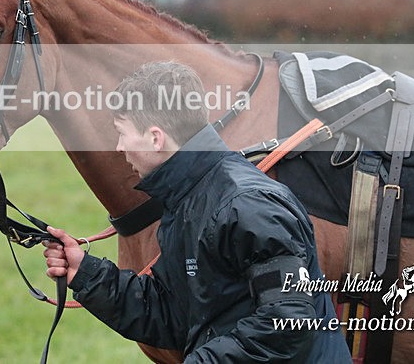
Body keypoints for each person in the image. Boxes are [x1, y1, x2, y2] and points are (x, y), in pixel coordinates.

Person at [44, 61, 351, 363]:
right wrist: (85, 273)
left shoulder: (249, 206)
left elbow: (287, 325)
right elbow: (174, 316)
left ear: (155, 138)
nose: (120, 147)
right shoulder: (188, 200)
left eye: (122, 133)